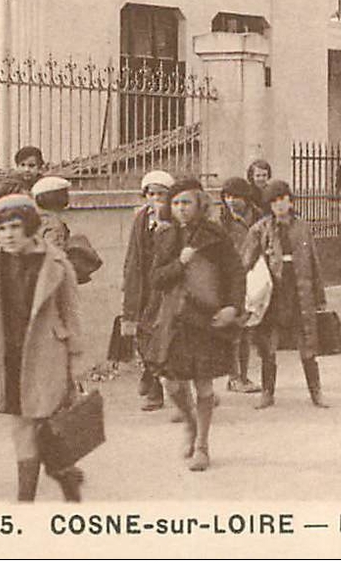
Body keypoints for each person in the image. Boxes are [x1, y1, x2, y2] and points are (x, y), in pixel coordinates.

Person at [0, 195, 87, 501]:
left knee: (45, 421)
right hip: (10, 353)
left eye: (15, 226)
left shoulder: (56, 262)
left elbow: (71, 311)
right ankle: (29, 496)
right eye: (2, 228)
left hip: (48, 353)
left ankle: (64, 478)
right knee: (22, 425)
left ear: (30, 227)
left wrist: (76, 357)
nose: (8, 234)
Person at [146, 177, 246, 470]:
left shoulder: (216, 236)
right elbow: (156, 278)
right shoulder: (166, 237)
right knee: (171, 382)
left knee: (204, 386)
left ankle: (202, 444)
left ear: (199, 203)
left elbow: (235, 273)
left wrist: (233, 307)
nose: (181, 209)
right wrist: (180, 262)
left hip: (206, 320)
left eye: (186, 202)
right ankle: (189, 422)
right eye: (176, 203)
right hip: (174, 321)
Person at [242, 181, 329, 408]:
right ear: (268, 205)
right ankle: (267, 393)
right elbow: (247, 262)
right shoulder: (260, 229)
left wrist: (319, 295)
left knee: (307, 341)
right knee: (268, 343)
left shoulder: (302, 227)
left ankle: (316, 392)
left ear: (291, 201)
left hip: (299, 289)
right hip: (273, 292)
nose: (279, 205)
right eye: (274, 201)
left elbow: (313, 261)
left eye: (283, 199)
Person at [121, 169, 176, 412]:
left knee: (163, 336)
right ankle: (150, 374)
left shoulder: (175, 220)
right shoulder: (141, 219)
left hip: (165, 287)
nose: (154, 199)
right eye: (150, 194)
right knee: (142, 335)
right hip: (143, 285)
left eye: (160, 195)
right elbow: (133, 254)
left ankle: (157, 388)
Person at [218, 177, 265, 394]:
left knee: (247, 329)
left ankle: (243, 376)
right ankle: (234, 377)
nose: (231, 201)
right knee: (235, 330)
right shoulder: (222, 222)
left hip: (254, 276)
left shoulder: (258, 217)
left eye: (235, 197)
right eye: (227, 197)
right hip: (230, 279)